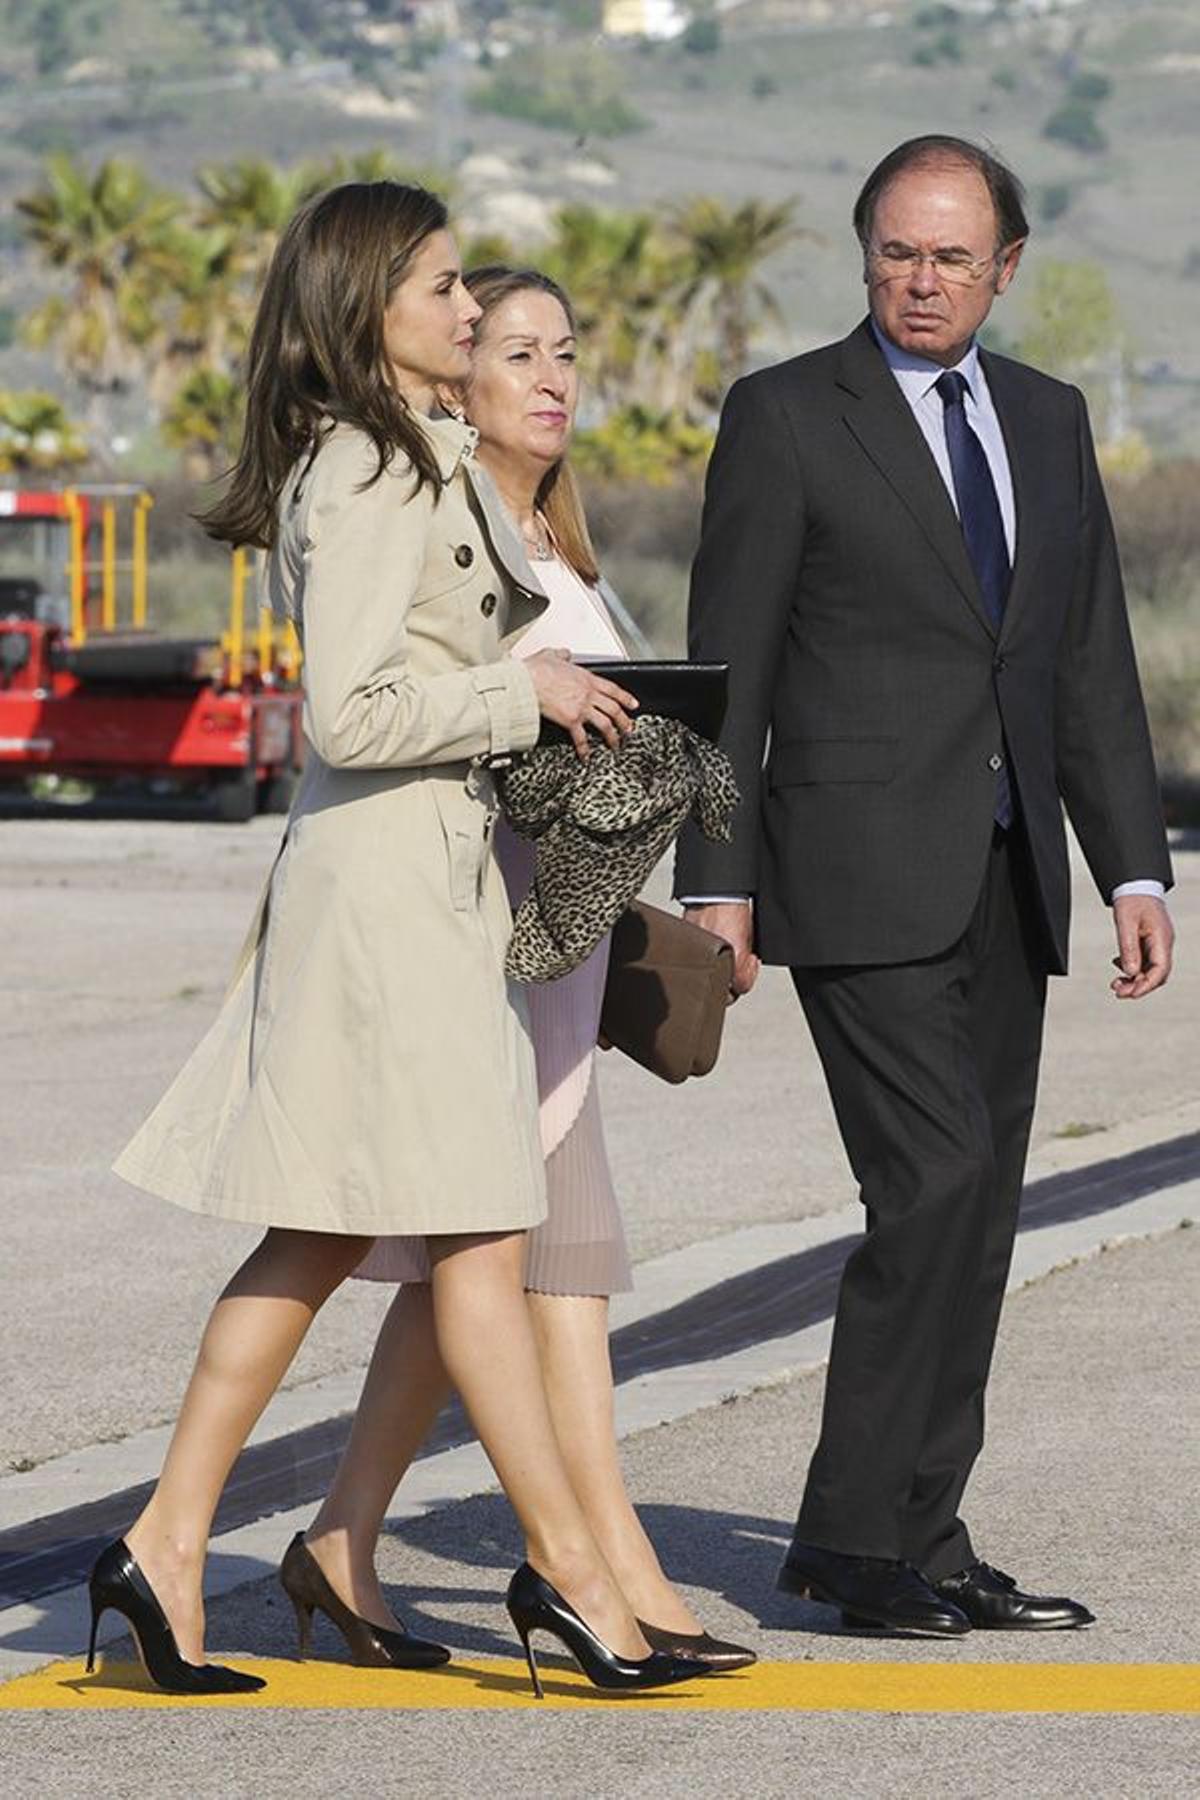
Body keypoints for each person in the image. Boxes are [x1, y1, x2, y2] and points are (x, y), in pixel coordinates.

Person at [95, 182, 706, 1699]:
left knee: (327, 1234)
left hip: (417, 891)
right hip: (388, 898)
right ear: (368, 304)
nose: (461, 307)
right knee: (473, 1237)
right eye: (439, 285)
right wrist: (534, 694)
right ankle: (570, 1571)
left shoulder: (410, 459)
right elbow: (351, 709)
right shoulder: (367, 465)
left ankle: (168, 1549)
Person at [675, 135, 1175, 1637]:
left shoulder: (1046, 414)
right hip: (854, 871)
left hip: (1014, 881)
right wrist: (719, 883)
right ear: (865, 254)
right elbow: (731, 667)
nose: (922, 280)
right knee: (934, 1181)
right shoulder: (785, 417)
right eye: (898, 250)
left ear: (1004, 268)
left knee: (985, 1208)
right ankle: (843, 1540)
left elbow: (1085, 662)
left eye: (953, 256)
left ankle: (923, 1534)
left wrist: (1134, 867)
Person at [293, 265, 754, 1673]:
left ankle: (339, 1546)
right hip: (486, 961)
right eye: (516, 351)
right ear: (457, 376)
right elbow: (424, 723)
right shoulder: (456, 536)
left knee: (472, 1281)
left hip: (548, 967)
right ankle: (603, 1570)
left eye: (568, 352)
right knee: (544, 1271)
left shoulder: (553, 548)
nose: (553, 377)